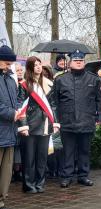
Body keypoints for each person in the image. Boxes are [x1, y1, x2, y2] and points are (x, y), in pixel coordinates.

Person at [52, 50, 101, 188]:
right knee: (67, 151)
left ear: (84, 62)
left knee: (84, 150)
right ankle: (67, 176)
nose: (79, 62)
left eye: (81, 60)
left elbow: (100, 101)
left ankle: (83, 176)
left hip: (86, 121)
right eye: (76, 60)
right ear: (70, 63)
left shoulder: (94, 79)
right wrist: (56, 120)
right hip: (67, 122)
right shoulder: (60, 79)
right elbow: (55, 102)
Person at [17, 56, 60, 193]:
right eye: (35, 65)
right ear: (29, 67)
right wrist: (23, 125)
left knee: (42, 157)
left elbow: (53, 105)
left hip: (46, 124)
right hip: (29, 125)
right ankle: (29, 185)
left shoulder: (48, 83)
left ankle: (40, 184)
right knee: (29, 158)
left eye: (39, 64)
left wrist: (55, 122)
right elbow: (21, 106)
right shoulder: (24, 85)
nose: (38, 67)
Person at [0, 45, 21, 209]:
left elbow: (16, 100)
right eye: (6, 63)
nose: (9, 67)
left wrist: (20, 110)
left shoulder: (10, 79)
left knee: (6, 171)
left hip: (10, 132)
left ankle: (2, 197)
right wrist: (12, 114)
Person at [12, 63, 24, 182]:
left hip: (22, 117)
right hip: (12, 117)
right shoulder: (10, 83)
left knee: (20, 146)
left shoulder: (24, 84)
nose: (20, 72)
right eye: (17, 70)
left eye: (21, 70)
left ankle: (18, 170)